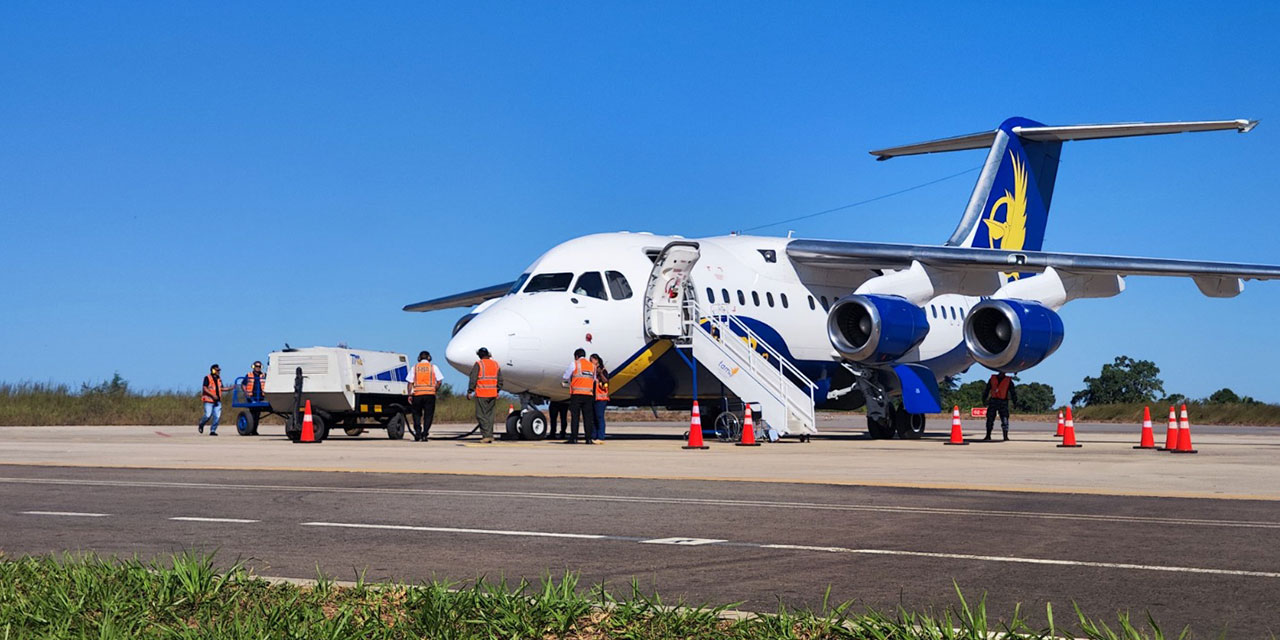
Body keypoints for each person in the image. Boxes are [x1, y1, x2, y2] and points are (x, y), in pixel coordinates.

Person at [466, 347, 503, 443]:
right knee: (489, 416)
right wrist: (497, 390)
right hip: (493, 393)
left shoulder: (479, 364)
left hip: (482, 393)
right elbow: (500, 380)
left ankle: (486, 435)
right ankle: (490, 435)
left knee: (480, 415)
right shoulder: (495, 364)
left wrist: (470, 391)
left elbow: (473, 378)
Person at [407, 351, 445, 442]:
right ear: (429, 358)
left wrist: (409, 394)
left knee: (416, 415)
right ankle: (425, 434)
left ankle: (418, 433)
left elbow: (410, 382)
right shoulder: (433, 367)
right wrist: (434, 389)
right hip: (430, 395)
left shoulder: (415, 368)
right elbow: (439, 381)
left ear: (419, 358)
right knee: (428, 415)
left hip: (417, 395)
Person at [562, 348, 596, 444]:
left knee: (575, 417)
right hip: (589, 394)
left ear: (576, 356)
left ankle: (574, 438)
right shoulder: (592, 366)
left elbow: (565, 376)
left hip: (576, 394)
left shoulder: (575, 364)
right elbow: (594, 379)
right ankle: (588, 439)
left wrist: (571, 382)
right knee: (588, 418)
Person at [982, 371, 1017, 441]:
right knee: (990, 419)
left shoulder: (1008, 381)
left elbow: (1013, 392)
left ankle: (1005, 436)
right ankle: (988, 435)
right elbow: (987, 390)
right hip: (993, 401)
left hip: (1003, 402)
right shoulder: (992, 379)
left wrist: (1015, 402)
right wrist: (984, 399)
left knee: (1004, 419)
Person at [197, 364, 229, 436]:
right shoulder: (207, 378)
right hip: (209, 401)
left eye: (219, 370)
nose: (219, 372)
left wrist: (230, 388)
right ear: (213, 370)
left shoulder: (219, 379)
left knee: (217, 417)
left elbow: (221, 388)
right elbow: (205, 388)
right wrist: (212, 395)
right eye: (217, 370)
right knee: (208, 415)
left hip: (217, 401)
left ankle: (213, 430)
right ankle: (201, 424)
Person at [590, 353, 609, 441]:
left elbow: (606, 381)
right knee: (593, 417)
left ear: (597, 361)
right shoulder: (591, 371)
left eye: (592, 360)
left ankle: (601, 436)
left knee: (599, 417)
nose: (590, 362)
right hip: (593, 397)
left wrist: (600, 373)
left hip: (601, 398)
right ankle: (594, 435)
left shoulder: (603, 371)